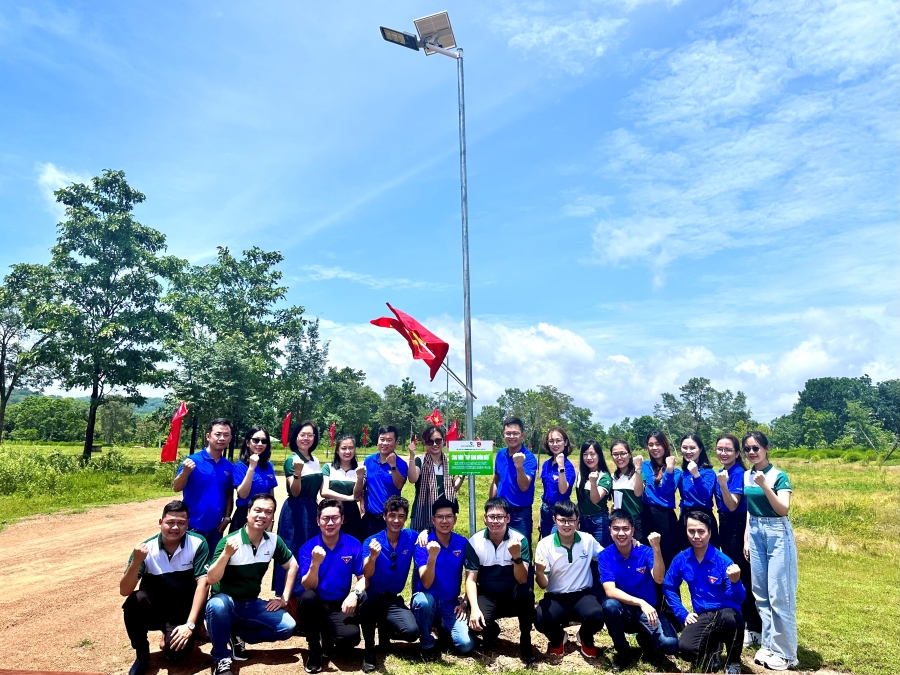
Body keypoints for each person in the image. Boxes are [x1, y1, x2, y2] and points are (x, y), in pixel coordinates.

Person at [205, 493, 298, 675]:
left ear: (272, 517)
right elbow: (211, 579)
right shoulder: (229, 542)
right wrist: (226, 554)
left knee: (287, 627)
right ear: (248, 512)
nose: (262, 515)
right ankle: (221, 657)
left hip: (251, 604)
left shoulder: (273, 541)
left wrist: (284, 599)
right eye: (258, 510)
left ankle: (237, 635)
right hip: (227, 604)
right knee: (216, 606)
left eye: (268, 512)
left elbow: (292, 565)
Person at [120, 501, 209, 675]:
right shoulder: (147, 549)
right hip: (155, 608)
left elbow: (203, 584)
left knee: (175, 655)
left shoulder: (198, 543)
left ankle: (171, 636)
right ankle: (142, 656)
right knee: (134, 601)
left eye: (181, 523)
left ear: (188, 524)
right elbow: (124, 590)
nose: (175, 527)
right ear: (160, 522)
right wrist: (136, 562)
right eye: (170, 522)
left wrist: (190, 625)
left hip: (181, 611)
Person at [664, 510, 746, 674]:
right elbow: (668, 587)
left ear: (709, 533)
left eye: (701, 531)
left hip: (725, 612)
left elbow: (738, 599)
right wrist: (683, 614)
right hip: (702, 614)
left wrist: (736, 581)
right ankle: (712, 649)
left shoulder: (723, 561)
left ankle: (733, 660)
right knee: (685, 649)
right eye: (691, 531)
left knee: (733, 621)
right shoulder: (681, 559)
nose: (696, 536)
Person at [742, 431, 798, 671]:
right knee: (761, 593)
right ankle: (769, 645)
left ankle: (787, 653)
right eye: (747, 449)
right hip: (755, 531)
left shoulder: (778, 476)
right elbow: (750, 509)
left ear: (766, 448)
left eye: (756, 448)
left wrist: (765, 485)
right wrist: (747, 538)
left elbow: (783, 508)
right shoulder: (747, 475)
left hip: (776, 531)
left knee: (779, 594)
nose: (752, 452)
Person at [599, 510, 678, 672]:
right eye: (616, 529)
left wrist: (657, 549)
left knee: (670, 645)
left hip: (649, 612)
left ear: (633, 530)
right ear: (610, 530)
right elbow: (610, 591)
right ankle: (623, 652)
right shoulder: (605, 555)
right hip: (625, 611)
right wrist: (640, 602)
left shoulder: (646, 551)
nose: (621, 533)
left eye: (626, 529)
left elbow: (659, 579)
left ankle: (646, 640)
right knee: (610, 606)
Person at [296, 499, 366, 674]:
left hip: (340, 603)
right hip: (317, 603)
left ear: (342, 519)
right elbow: (308, 585)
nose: (330, 523)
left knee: (350, 638)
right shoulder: (308, 548)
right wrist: (315, 564)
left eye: (334, 518)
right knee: (307, 598)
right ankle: (314, 649)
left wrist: (355, 593)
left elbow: (363, 577)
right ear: (318, 521)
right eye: (325, 518)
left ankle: (327, 634)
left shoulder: (353, 544)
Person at [464, 497, 535, 664]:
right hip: (488, 594)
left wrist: (516, 557)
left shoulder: (520, 540)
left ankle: (526, 640)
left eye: (500, 517)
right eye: (491, 517)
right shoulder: (475, 542)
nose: (495, 521)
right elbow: (471, 580)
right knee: (473, 621)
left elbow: (522, 579)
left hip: (512, 593)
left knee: (527, 593)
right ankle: (491, 632)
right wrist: (474, 608)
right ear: (485, 518)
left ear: (507, 518)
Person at [533, 500, 605, 660]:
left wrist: (630, 545)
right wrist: (539, 572)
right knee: (539, 618)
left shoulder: (587, 540)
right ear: (554, 520)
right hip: (556, 596)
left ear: (578, 520)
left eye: (571, 520)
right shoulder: (545, 545)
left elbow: (606, 557)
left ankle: (585, 636)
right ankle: (558, 637)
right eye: (562, 520)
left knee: (598, 614)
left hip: (582, 595)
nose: (567, 525)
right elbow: (543, 585)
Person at [359, 496, 420, 672]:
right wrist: (372, 557)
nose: (396, 520)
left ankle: (383, 627)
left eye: (401, 516)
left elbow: (427, 537)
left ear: (406, 518)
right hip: (371, 595)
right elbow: (366, 574)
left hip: (392, 598)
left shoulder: (411, 537)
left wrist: (425, 534)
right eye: (392, 515)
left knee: (412, 632)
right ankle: (369, 650)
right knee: (366, 600)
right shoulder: (372, 541)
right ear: (384, 516)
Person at [410, 497, 474, 659]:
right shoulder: (423, 543)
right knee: (424, 603)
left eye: (448, 516)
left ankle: (444, 628)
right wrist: (432, 557)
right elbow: (426, 582)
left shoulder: (462, 543)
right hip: (426, 599)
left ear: (455, 519)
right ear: (433, 520)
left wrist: (465, 602)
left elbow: (472, 575)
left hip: (450, 603)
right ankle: (427, 643)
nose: (444, 521)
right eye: (440, 517)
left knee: (466, 645)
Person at [714, 432, 762, 647]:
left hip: (737, 525)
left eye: (728, 450)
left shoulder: (738, 474)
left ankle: (754, 627)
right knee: (732, 572)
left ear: (737, 453)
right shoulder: (722, 471)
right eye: (720, 449)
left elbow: (733, 505)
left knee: (743, 576)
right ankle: (739, 620)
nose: (723, 453)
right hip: (724, 524)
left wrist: (723, 485)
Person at [275, 421, 323, 596]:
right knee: (292, 549)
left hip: (312, 509)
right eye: (303, 434)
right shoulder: (292, 460)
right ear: (296, 437)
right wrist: (297, 472)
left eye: (310, 435)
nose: (306, 438)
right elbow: (294, 492)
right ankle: (289, 596)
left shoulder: (315, 460)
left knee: (310, 549)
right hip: (295, 510)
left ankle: (307, 591)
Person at [173, 418, 235, 552]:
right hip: (191, 526)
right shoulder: (192, 461)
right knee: (189, 563)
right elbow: (176, 487)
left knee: (212, 564)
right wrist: (185, 473)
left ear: (230, 439)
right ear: (208, 436)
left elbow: (229, 495)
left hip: (216, 529)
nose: (222, 438)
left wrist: (227, 518)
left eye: (226, 435)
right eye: (218, 434)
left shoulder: (229, 467)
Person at [489, 416, 538, 554]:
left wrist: (519, 466)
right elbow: (496, 480)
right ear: (503, 435)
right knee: (500, 550)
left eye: (515, 433)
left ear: (522, 435)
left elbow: (524, 486)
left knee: (522, 551)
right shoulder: (500, 454)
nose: (511, 437)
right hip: (500, 512)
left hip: (520, 514)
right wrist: (490, 504)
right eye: (508, 433)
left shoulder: (529, 458)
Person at [407, 424, 464, 532]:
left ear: (443, 441)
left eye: (438, 441)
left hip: (443, 515)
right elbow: (412, 479)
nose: (434, 444)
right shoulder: (421, 461)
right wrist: (412, 457)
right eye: (430, 442)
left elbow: (454, 488)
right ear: (425, 443)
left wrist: (462, 474)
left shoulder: (450, 462)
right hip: (422, 514)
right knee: (420, 542)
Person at [639, 431, 681, 567]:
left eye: (658, 444)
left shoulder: (676, 471)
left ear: (665, 445)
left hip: (665, 518)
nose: (654, 448)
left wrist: (669, 469)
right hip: (646, 514)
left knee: (667, 557)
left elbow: (667, 491)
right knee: (647, 557)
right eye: (650, 445)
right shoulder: (644, 466)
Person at [362, 426, 408, 536]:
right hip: (369, 518)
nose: (385, 443)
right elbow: (363, 488)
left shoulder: (401, 464)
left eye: (389, 440)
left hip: (390, 519)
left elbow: (399, 485)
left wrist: (393, 466)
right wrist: (362, 509)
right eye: (382, 439)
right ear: (377, 441)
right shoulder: (369, 461)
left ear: (396, 443)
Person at [230, 426, 278, 532]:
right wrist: (251, 468)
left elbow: (271, 493)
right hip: (244, 515)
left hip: (264, 515)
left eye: (264, 441)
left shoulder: (268, 466)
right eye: (256, 440)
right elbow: (242, 494)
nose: (260, 444)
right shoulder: (239, 466)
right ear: (248, 442)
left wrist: (271, 519)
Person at [321, 434, 366, 541]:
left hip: (351, 513)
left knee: (352, 542)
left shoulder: (360, 469)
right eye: (344, 448)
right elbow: (324, 491)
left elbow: (357, 495)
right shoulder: (328, 467)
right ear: (337, 450)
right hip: (330, 511)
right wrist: (348, 498)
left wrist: (360, 477)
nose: (347, 451)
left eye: (351, 448)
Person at [677, 433, 718, 548]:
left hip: (704, 516)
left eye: (692, 448)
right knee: (687, 553)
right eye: (685, 447)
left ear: (700, 449)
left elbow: (706, 495)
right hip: (686, 517)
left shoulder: (708, 472)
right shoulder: (683, 473)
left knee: (709, 553)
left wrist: (696, 475)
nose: (688, 451)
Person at [538, 425, 577, 538]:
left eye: (558, 440)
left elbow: (563, 490)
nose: (555, 444)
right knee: (546, 543)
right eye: (551, 441)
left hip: (561, 512)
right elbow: (546, 491)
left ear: (565, 442)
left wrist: (561, 467)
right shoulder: (546, 464)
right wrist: (541, 518)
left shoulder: (568, 467)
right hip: (545, 510)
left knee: (555, 543)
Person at [574, 440, 614, 546]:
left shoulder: (604, 476)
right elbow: (581, 500)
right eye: (585, 454)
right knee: (585, 552)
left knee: (599, 552)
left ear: (599, 456)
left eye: (592, 454)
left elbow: (595, 500)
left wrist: (593, 483)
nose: (589, 458)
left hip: (599, 521)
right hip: (583, 520)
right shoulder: (581, 475)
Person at [609, 440, 644, 541]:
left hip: (634, 520)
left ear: (630, 454)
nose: (619, 457)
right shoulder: (613, 476)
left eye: (623, 453)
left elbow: (638, 493)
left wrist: (638, 469)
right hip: (618, 520)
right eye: (615, 454)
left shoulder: (638, 475)